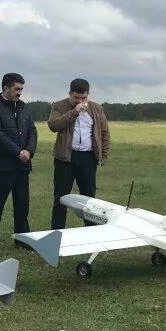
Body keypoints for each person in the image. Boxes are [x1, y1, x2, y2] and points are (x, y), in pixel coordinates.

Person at [0, 72, 37, 253]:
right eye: (16, 89)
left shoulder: (24, 108)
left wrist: (29, 150)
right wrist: (18, 152)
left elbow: (32, 132)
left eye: (21, 89)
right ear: (5, 88)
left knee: (22, 204)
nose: (19, 92)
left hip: (22, 166)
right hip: (2, 167)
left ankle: (22, 239)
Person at [47, 78, 110, 229]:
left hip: (88, 158)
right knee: (61, 197)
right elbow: (53, 125)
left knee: (89, 199)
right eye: (76, 98)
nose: (80, 101)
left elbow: (104, 132)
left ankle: (91, 231)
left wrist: (104, 155)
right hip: (65, 158)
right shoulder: (59, 106)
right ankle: (57, 232)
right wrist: (74, 112)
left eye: (84, 98)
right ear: (70, 93)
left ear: (88, 95)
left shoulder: (96, 108)